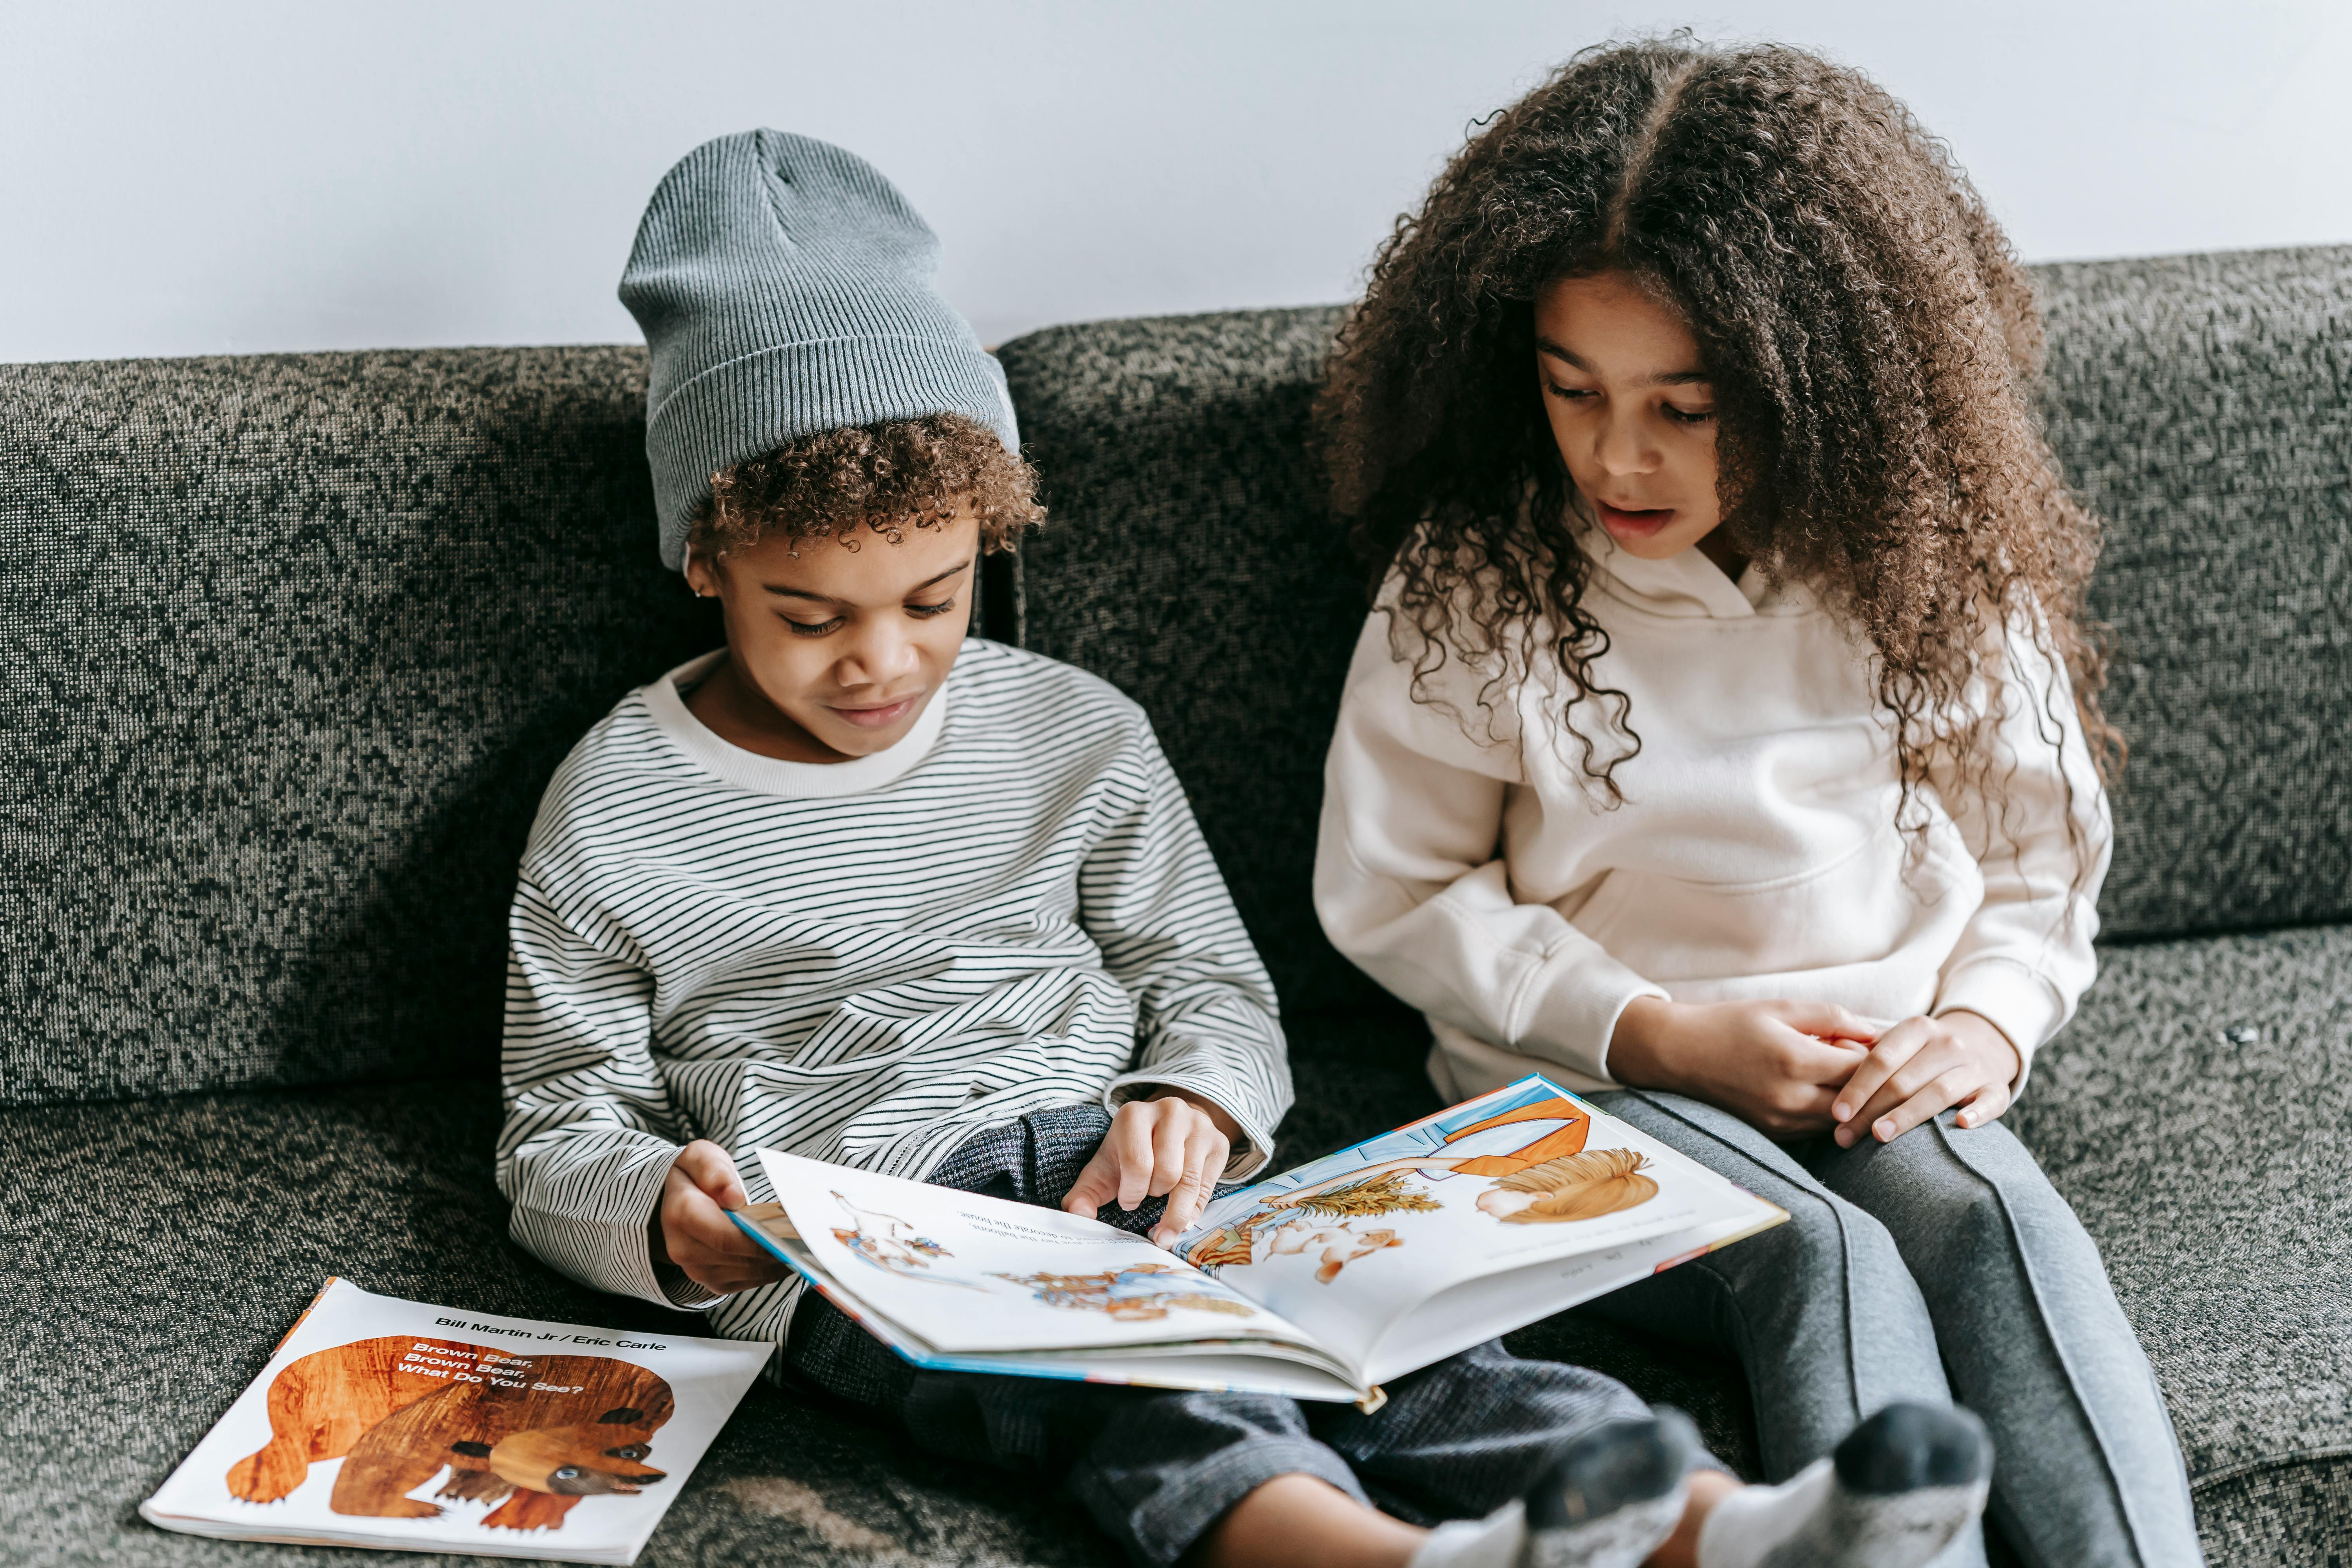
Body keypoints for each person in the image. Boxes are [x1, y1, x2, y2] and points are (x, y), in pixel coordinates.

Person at [496, 127, 1991, 1568]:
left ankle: (1710, 1529)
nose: (881, 663)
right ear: (705, 559)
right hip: (882, 1241)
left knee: (1416, 1341)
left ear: (987, 545)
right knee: (1142, 1381)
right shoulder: (618, 804)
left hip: (1150, 1181)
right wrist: (671, 1228)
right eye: (809, 619)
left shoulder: (1071, 732)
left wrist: (1193, 1098)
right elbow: (556, 1129)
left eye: (937, 600)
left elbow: (1209, 982)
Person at [1312, 36, 2203, 1568]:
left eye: (1684, 405)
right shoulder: (1479, 580)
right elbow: (1395, 888)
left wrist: (1983, 1021)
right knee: (1825, 1257)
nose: (1616, 454)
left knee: (1994, 1227)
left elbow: (2037, 862)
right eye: (1571, 390)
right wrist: (1654, 1030)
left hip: (1872, 1063)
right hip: (1576, 1089)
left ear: (1819, 385)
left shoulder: (1926, 563)